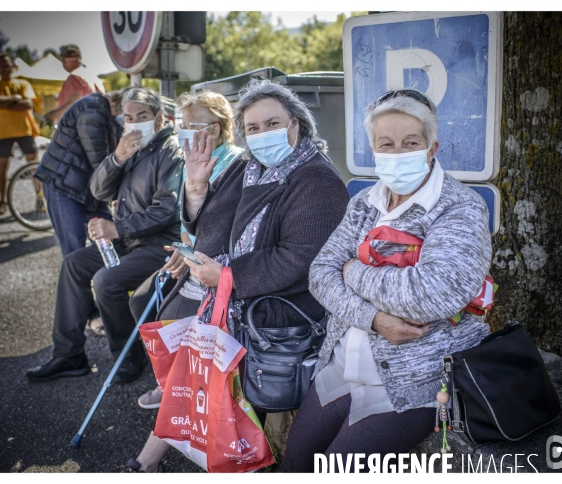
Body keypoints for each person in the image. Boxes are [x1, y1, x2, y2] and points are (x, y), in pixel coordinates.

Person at [125, 78, 350, 472]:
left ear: (296, 124)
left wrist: (228, 276)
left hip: (276, 323)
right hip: (233, 306)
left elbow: (299, 259)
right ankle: (146, 462)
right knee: (194, 385)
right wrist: (195, 188)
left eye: (272, 123)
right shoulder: (250, 167)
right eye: (253, 128)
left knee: (261, 422)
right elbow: (208, 228)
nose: (262, 134)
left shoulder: (318, 181)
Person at [282, 89, 493, 472]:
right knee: (295, 463)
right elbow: (320, 274)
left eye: (410, 142)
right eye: (387, 144)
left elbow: (429, 296)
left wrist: (352, 270)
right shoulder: (364, 203)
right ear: (373, 149)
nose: (397, 153)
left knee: (336, 470)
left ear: (432, 147)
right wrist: (374, 318)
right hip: (342, 365)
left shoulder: (460, 207)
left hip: (416, 382)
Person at [25, 87, 185, 385]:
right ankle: (69, 354)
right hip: (129, 240)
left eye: (142, 116)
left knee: (106, 281)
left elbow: (166, 210)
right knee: (74, 264)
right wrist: (117, 159)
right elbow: (98, 190)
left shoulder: (170, 151)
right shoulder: (131, 148)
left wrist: (117, 228)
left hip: (158, 244)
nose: (135, 122)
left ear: (159, 118)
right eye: (128, 117)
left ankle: (130, 355)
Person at [129, 90, 243, 410]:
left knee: (168, 311)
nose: (188, 129)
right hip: (190, 252)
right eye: (185, 123)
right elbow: (186, 217)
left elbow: (221, 223)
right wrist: (184, 246)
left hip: (215, 261)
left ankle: (179, 388)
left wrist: (190, 250)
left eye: (197, 124)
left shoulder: (232, 161)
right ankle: (168, 380)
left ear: (216, 129)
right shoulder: (191, 160)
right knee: (142, 300)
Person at [34, 88, 128, 257]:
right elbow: (100, 162)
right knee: (73, 248)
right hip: (63, 185)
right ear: (123, 105)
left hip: (88, 187)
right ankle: (76, 283)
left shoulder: (105, 111)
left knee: (109, 243)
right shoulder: (94, 110)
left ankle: (102, 280)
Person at [0, 54, 39, 215]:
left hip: (24, 129)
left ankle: (40, 196)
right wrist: (15, 99)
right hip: (3, 132)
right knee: (2, 166)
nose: (5, 69)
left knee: (34, 165)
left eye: (7, 65)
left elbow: (28, 104)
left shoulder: (22, 83)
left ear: (11, 66)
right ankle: (3, 201)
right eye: (1, 66)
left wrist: (4, 102)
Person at [44, 44, 105, 126]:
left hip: (83, 130)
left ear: (63, 61)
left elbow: (72, 106)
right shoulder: (93, 77)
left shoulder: (74, 78)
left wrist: (50, 115)